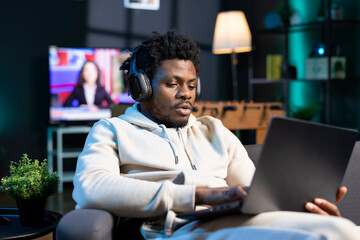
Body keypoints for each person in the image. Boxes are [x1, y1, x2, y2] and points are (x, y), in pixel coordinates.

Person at [73, 30, 360, 239]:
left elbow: (254, 193)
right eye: (172, 84)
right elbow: (90, 188)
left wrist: (300, 209)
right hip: (173, 228)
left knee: (344, 229)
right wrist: (203, 194)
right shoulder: (112, 130)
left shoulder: (214, 130)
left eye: (191, 84)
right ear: (141, 88)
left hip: (233, 220)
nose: (186, 93)